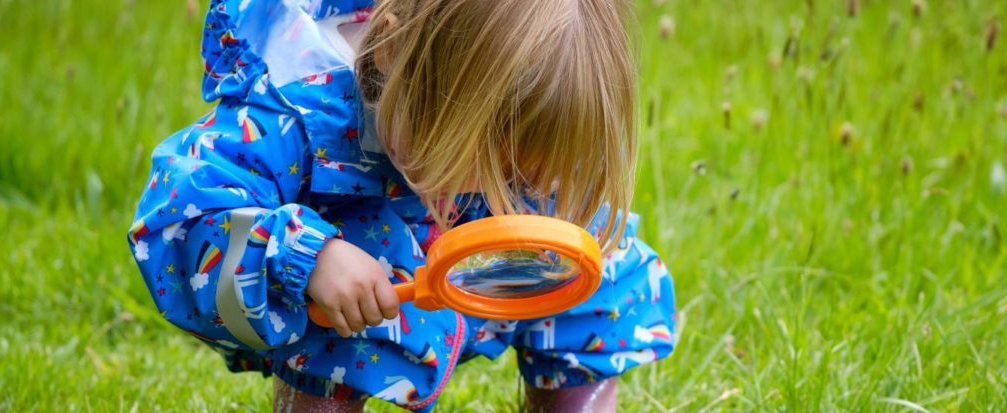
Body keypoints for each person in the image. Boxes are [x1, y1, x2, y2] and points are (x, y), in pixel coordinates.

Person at [126, 0, 676, 411]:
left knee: (601, 269)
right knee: (345, 303)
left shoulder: (527, 107)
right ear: (389, 51)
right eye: (465, 159)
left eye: (517, 176)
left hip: (486, 276)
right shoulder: (299, 114)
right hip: (364, 296)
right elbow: (179, 215)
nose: (485, 191)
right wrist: (305, 258)